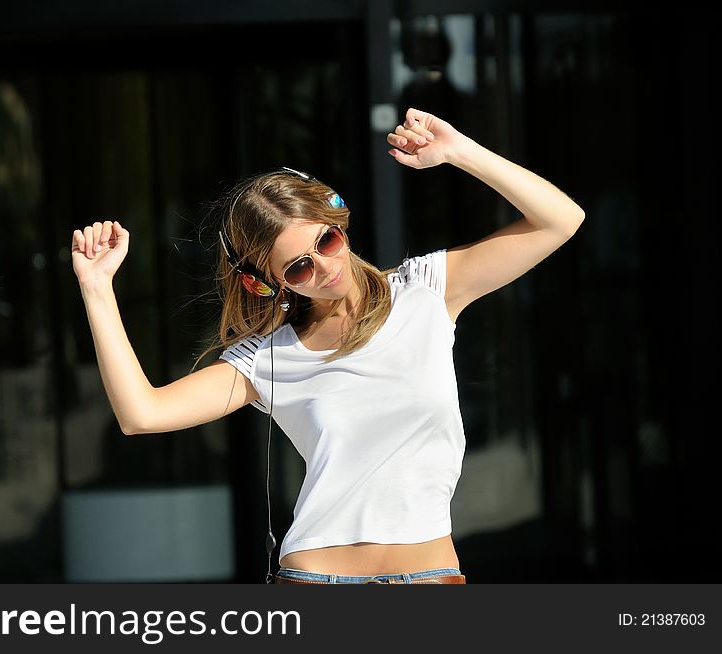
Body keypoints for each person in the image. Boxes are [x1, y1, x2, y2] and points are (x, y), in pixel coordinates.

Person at [70, 107, 585, 585]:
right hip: (315, 583)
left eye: (326, 241)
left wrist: (459, 151)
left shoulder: (425, 289)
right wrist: (97, 289)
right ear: (268, 284)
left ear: (337, 221)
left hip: (430, 579)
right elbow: (142, 413)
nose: (324, 267)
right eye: (297, 267)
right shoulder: (269, 357)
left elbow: (561, 220)